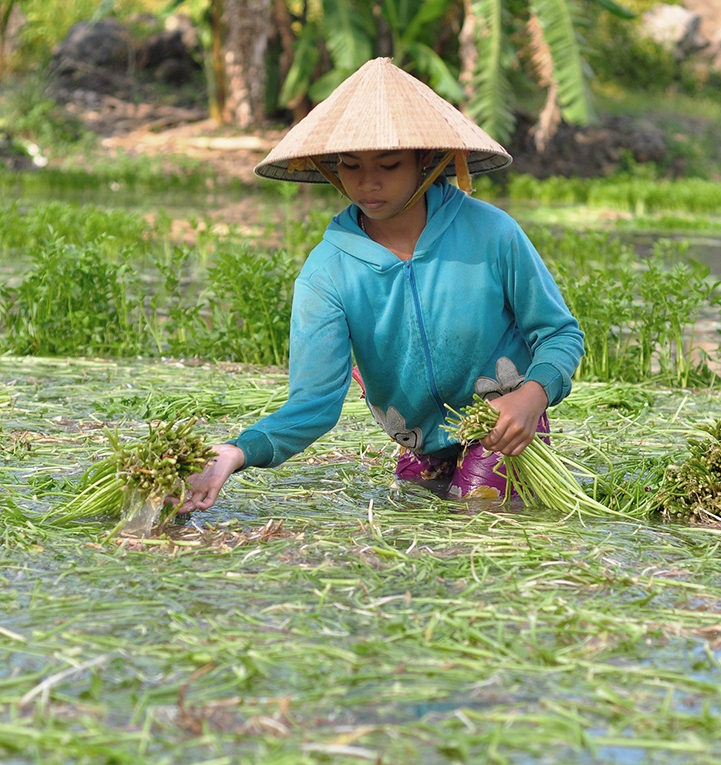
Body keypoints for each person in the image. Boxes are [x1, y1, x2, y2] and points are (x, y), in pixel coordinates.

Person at [180, 57, 584, 511]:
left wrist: (533, 396)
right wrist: (235, 451)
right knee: (413, 527)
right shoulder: (327, 273)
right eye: (350, 167)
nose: (367, 184)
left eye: (389, 165)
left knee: (481, 519)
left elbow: (559, 334)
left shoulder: (492, 233)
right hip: (420, 442)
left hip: (502, 425)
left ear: (426, 161)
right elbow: (313, 403)